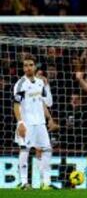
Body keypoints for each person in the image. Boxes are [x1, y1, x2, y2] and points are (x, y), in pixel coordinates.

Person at [13, 54, 58, 190]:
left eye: (30, 65)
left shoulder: (39, 83)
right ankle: (23, 182)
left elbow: (46, 103)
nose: (28, 68)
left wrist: (49, 118)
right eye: (25, 65)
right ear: (23, 67)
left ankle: (46, 182)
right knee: (24, 150)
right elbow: (16, 105)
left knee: (46, 150)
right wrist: (20, 123)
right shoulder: (20, 84)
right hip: (27, 123)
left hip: (40, 124)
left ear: (35, 66)